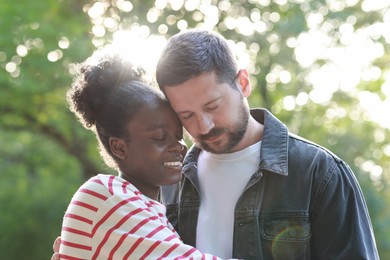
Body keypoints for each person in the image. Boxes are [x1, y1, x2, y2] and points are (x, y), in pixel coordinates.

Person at [155, 29, 379, 259]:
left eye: (212, 106)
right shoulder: (169, 179)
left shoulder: (320, 172)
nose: (203, 126)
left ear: (243, 83)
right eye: (186, 115)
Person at [56, 45, 228, 259]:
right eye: (158, 137)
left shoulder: (148, 208)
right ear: (119, 147)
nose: (179, 146)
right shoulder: (108, 196)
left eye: (177, 134)